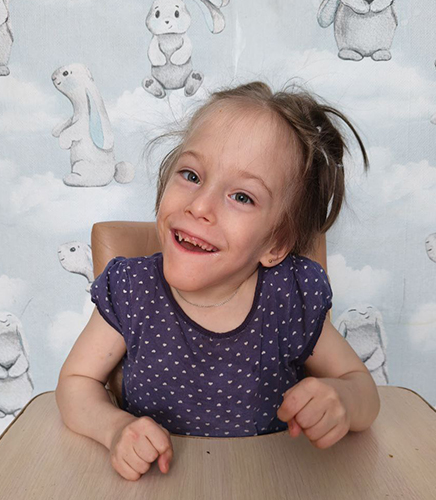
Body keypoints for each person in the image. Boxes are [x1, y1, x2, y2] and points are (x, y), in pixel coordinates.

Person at [55, 81, 380, 481]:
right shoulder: (132, 290)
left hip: (266, 482)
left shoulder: (288, 297)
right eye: (191, 175)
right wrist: (115, 429)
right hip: (157, 484)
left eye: (242, 197)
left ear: (276, 244)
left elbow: (362, 390)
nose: (199, 206)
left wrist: (343, 399)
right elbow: (76, 382)